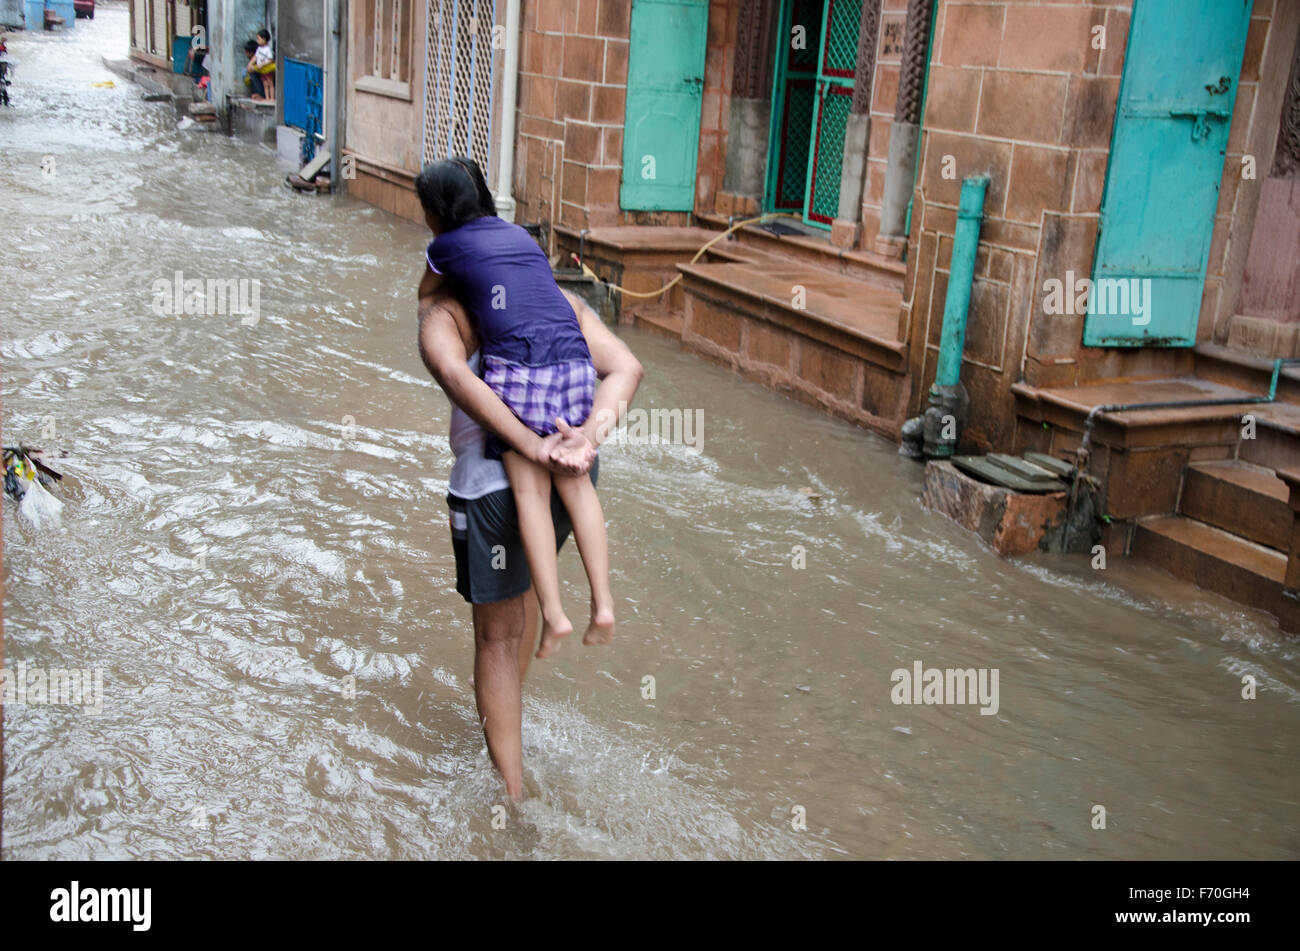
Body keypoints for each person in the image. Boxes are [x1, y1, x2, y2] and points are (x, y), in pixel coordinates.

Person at [416, 203, 643, 802]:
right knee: (526, 606)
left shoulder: (448, 311)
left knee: (496, 636)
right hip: (573, 480)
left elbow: (450, 372)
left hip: (492, 483)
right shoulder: (560, 303)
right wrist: (584, 439)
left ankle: (510, 796)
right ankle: (515, 715)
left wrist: (526, 443)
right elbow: (626, 368)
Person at [416, 157, 614, 661]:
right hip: (573, 366)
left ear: (436, 214)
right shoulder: (523, 237)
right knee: (576, 488)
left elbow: (426, 298)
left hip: (522, 375)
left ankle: (554, 615)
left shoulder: (444, 246)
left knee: (530, 492)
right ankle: (604, 605)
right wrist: (587, 434)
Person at [247, 29, 274, 101]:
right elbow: (255, 57)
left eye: (258, 39)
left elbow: (270, 60)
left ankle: (271, 98)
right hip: (261, 70)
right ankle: (267, 98)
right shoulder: (259, 49)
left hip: (266, 69)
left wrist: (262, 64)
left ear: (264, 39)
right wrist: (250, 64)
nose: (257, 41)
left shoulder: (268, 49)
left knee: (270, 83)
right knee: (265, 84)